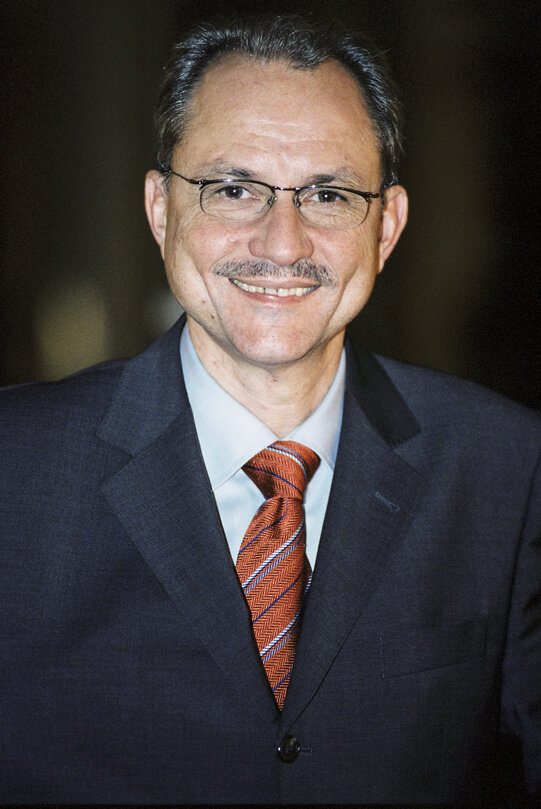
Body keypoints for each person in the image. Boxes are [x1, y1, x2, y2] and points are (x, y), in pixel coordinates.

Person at [1, 13, 540, 806]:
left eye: (326, 192)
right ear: (160, 209)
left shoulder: (507, 465)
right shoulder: (15, 467)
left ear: (384, 226)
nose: (282, 242)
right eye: (233, 188)